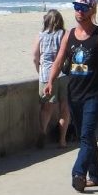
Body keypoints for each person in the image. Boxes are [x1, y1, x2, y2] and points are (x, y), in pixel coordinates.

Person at [43, 0, 98, 193]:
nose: (79, 12)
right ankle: (96, 176)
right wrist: (50, 81)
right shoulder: (69, 34)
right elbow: (58, 60)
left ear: (92, 10)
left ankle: (78, 173)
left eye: (83, 8)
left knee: (87, 134)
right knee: (85, 136)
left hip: (95, 94)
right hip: (74, 93)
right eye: (76, 7)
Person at [32, 9, 70, 147]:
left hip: (46, 75)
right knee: (65, 108)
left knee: (47, 107)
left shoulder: (40, 36)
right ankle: (62, 140)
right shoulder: (65, 34)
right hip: (64, 75)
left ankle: (42, 131)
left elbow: (35, 57)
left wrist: (39, 70)